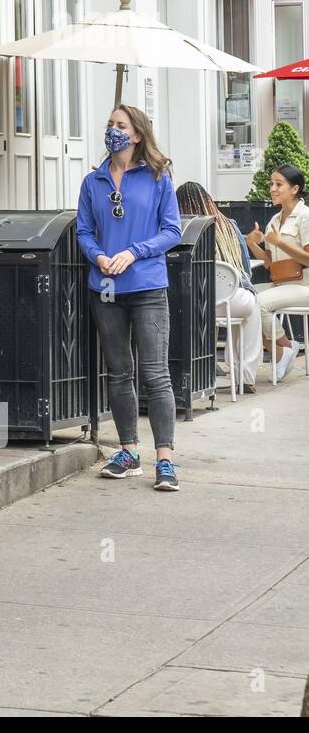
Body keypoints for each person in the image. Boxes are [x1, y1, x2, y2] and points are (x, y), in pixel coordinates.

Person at [77, 105, 182, 491]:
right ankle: (128, 452)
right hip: (104, 288)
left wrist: (134, 251)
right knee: (119, 372)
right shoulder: (94, 181)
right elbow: (84, 232)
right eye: (110, 125)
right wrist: (99, 256)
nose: (113, 131)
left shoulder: (157, 177)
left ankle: (166, 460)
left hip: (148, 287)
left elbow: (172, 230)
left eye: (120, 126)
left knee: (155, 374)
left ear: (137, 134)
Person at [176, 181, 262, 393]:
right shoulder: (227, 225)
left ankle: (198, 375)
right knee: (252, 304)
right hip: (230, 301)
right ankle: (244, 376)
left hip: (195, 304)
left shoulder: (178, 228)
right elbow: (245, 270)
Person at [246, 163, 309, 380]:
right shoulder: (274, 219)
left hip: (304, 285)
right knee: (245, 300)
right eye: (271, 183)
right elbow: (269, 264)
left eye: (278, 184)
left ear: (294, 189)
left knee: (258, 303)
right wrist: (252, 244)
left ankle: (282, 349)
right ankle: (285, 348)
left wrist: (281, 243)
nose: (272, 188)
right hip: (281, 283)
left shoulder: (305, 216)